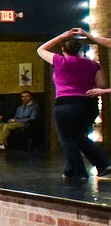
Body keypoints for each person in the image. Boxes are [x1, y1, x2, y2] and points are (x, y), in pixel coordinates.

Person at [37, 28, 111, 180]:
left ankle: (79, 171)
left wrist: (62, 36)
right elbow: (102, 84)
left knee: (67, 138)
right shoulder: (92, 64)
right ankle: (95, 165)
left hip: (66, 105)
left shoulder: (59, 60)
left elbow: (41, 49)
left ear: (63, 49)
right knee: (77, 135)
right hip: (88, 105)